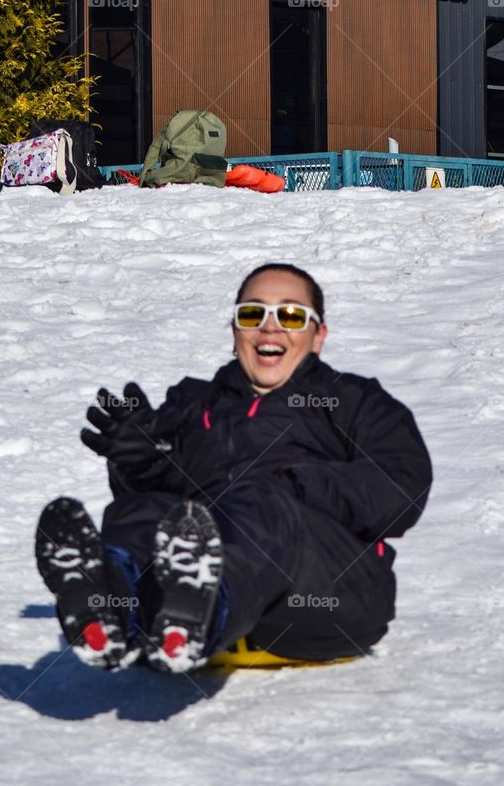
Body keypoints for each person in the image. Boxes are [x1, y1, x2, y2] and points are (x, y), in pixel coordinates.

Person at [35, 264, 432, 674]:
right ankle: (114, 604)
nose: (270, 329)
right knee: (146, 508)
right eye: (252, 315)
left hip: (326, 591)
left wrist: (293, 486)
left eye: (292, 316)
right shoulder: (192, 404)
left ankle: (205, 609)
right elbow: (161, 506)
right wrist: (143, 463)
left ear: (318, 336)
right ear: (234, 330)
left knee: (258, 499)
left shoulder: (352, 400)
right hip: (196, 573)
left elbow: (401, 488)